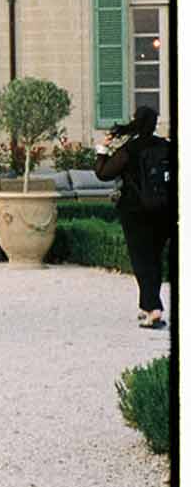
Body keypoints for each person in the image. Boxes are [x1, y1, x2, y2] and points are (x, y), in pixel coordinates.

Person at [94, 107, 172, 327]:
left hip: (135, 211)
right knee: (154, 259)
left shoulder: (131, 149)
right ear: (155, 123)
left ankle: (153, 309)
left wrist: (102, 149)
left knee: (141, 260)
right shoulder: (165, 146)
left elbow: (103, 173)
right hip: (163, 210)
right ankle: (146, 305)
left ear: (136, 122)